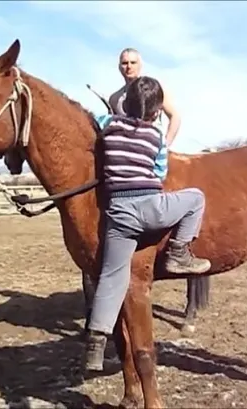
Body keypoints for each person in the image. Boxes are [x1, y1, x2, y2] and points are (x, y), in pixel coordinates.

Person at [84, 76, 211, 372]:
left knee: (112, 277)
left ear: (124, 104)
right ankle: (179, 251)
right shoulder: (156, 136)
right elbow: (160, 172)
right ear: (156, 113)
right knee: (195, 198)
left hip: (119, 213)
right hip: (152, 208)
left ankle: (96, 340)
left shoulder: (109, 124)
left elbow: (93, 119)